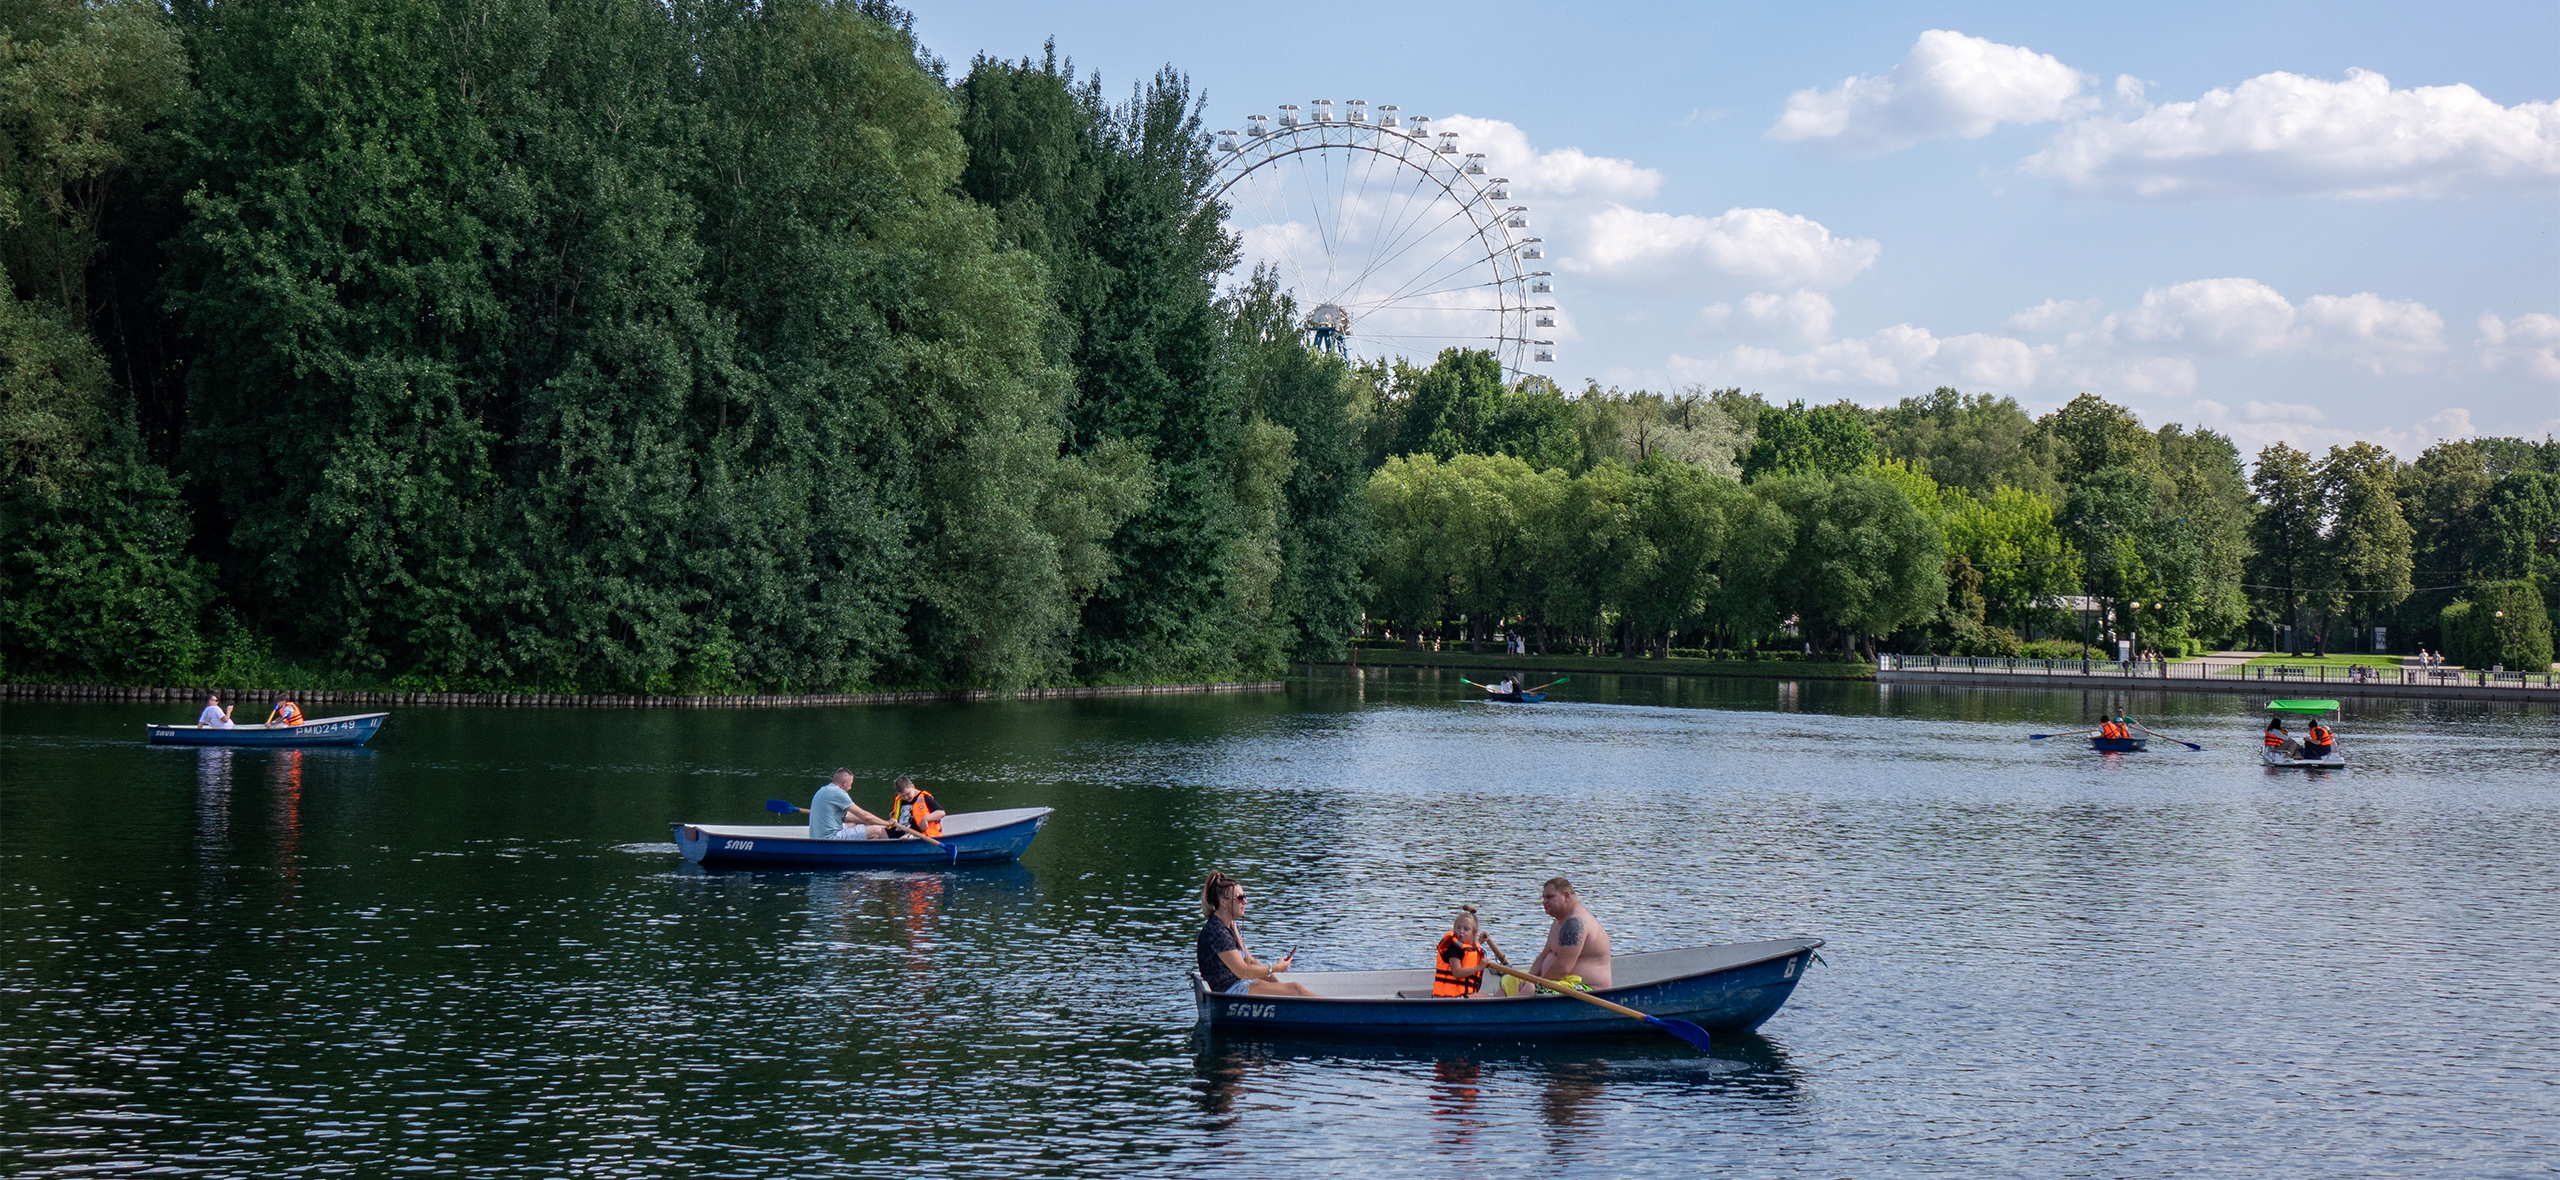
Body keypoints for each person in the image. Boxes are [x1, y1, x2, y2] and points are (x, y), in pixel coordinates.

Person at [1196, 870, 1317, 997]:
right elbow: (1243, 971)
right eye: (1240, 898)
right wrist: (1276, 967)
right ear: (1223, 902)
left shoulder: (1232, 926)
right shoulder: (1216, 931)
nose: (1245, 902)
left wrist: (1275, 982)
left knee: (1292, 989)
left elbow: (1250, 961)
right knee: (1296, 989)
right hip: (1226, 993)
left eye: (1244, 897)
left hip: (1238, 985)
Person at [1529, 876, 1612, 991]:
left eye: (1550, 897)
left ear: (1566, 896)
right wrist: (1529, 979)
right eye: (1543, 897)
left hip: (1587, 989)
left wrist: (1537, 983)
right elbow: (1543, 956)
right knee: (1510, 981)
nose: (1544, 902)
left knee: (1531, 990)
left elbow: (1563, 967)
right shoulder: (1558, 922)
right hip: (1559, 982)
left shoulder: (1575, 922)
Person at [808, 768, 890, 840]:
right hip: (831, 838)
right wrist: (887, 823)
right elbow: (865, 816)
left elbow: (849, 817)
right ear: (845, 782)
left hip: (817, 837)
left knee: (852, 824)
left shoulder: (822, 790)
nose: (850, 787)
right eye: (851, 784)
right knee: (876, 830)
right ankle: (867, 854)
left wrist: (871, 821)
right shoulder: (838, 793)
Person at [1433, 905, 1490, 997]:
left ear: (1474, 933)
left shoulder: (1467, 946)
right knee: (1487, 997)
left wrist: (1480, 941)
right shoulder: (1454, 949)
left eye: (1466, 929)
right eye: (1458, 928)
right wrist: (1479, 967)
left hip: (1461, 996)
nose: (1461, 932)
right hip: (1449, 998)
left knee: (1485, 997)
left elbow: (1470, 951)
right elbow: (1457, 972)